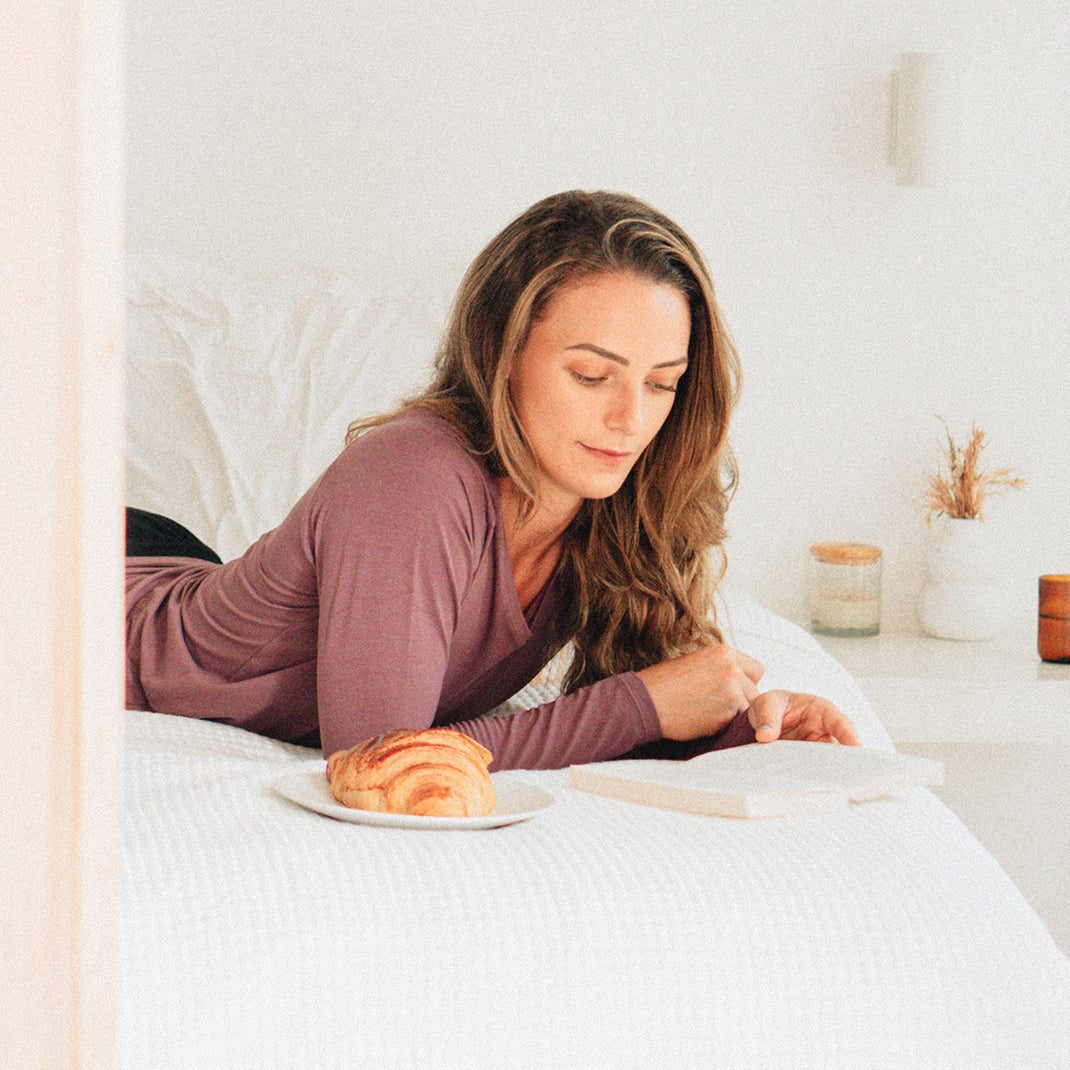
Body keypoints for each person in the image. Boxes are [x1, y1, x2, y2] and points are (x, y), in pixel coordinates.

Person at [125, 189, 859, 770]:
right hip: (84, 608)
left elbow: (643, 707)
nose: (630, 419)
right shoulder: (412, 476)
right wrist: (640, 706)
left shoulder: (605, 508)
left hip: (186, 571)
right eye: (592, 374)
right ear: (501, 356)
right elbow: (375, 758)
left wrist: (747, 728)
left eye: (662, 384)